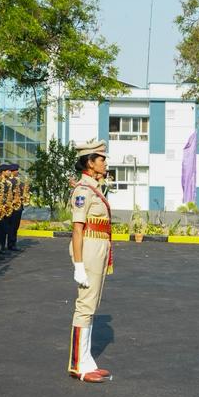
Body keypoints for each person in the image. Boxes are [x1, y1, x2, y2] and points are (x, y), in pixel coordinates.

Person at [68, 140, 114, 383]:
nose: (105, 163)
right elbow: (77, 229)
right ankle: (78, 364)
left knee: (92, 305)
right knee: (85, 306)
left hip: (99, 248)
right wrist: (78, 265)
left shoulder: (93, 187)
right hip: (88, 249)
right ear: (90, 163)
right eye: (101, 159)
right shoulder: (83, 191)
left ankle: (86, 360)